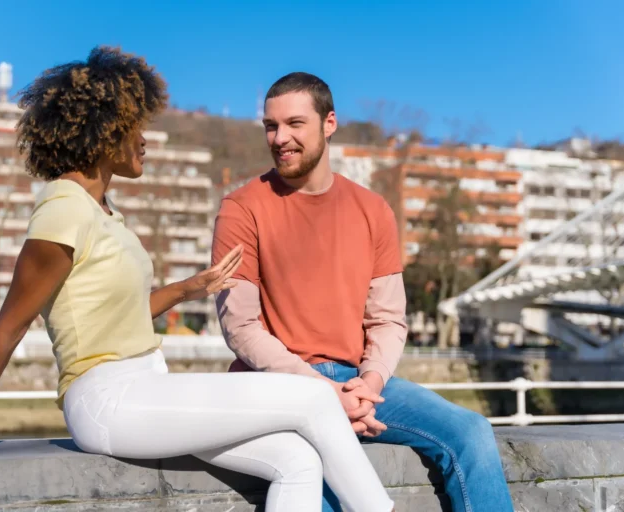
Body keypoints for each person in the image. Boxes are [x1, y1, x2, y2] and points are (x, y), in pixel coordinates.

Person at [0, 48, 395, 512]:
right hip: (107, 399)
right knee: (311, 399)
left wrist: (188, 289)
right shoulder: (62, 210)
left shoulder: (104, 213)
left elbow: (114, 316)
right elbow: (8, 329)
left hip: (147, 388)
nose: (144, 141)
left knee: (298, 460)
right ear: (104, 133)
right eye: (134, 128)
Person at [211, 71, 514, 512]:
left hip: (358, 382)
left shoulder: (373, 210)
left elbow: (387, 318)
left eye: (295, 124)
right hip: (278, 385)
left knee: (472, 432)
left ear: (329, 123)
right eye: (271, 126)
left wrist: (369, 384)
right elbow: (240, 326)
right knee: (315, 473)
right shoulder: (241, 209)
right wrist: (322, 393)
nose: (280, 138)